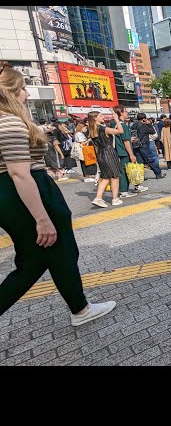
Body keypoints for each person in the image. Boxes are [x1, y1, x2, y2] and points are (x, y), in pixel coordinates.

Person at [0, 61, 116, 326]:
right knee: (39, 259)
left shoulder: (6, 122)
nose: (27, 93)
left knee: (52, 255)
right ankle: (80, 309)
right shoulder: (10, 123)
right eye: (23, 88)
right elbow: (19, 173)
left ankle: (80, 308)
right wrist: (42, 218)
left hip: (17, 194)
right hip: (28, 192)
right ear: (10, 92)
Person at [87, 111, 124, 208]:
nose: (103, 117)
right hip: (109, 153)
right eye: (100, 116)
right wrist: (117, 120)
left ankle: (98, 198)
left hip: (100, 154)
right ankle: (115, 199)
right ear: (95, 118)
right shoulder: (102, 128)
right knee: (115, 176)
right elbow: (120, 131)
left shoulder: (92, 129)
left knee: (105, 177)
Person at [109, 106, 139, 199]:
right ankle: (124, 191)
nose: (127, 112)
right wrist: (131, 154)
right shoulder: (123, 126)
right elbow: (126, 141)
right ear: (121, 113)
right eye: (125, 111)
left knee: (120, 171)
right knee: (125, 172)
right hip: (123, 151)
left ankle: (121, 190)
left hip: (115, 150)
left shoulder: (112, 123)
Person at [131, 113, 166, 180]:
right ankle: (158, 174)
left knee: (139, 162)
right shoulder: (143, 126)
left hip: (135, 146)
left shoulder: (133, 125)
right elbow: (153, 131)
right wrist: (149, 124)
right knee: (150, 160)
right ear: (144, 119)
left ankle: (141, 176)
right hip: (144, 145)